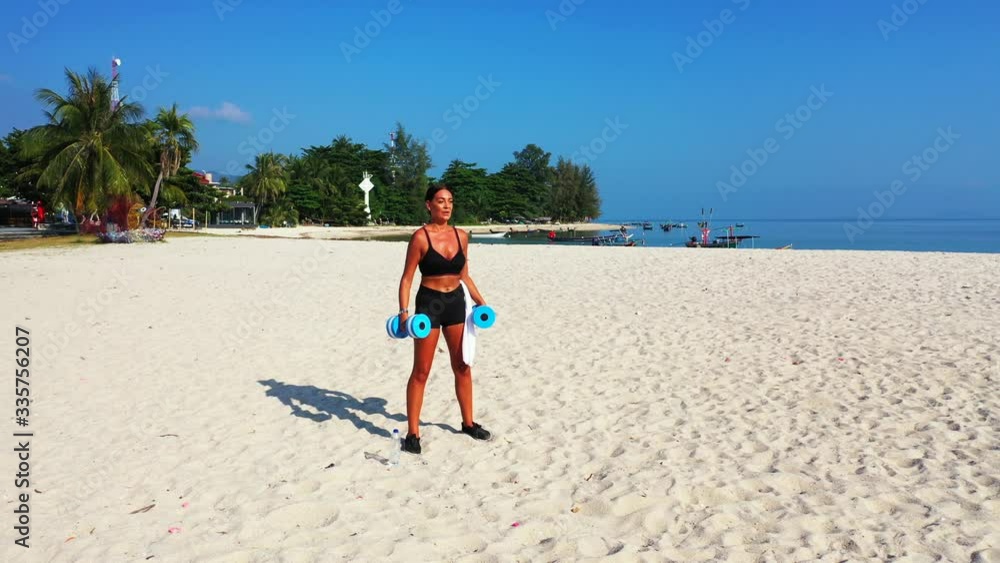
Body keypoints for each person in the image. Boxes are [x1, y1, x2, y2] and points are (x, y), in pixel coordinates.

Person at [396, 184, 491, 455]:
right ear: (429, 205)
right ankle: (413, 433)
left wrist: (482, 302)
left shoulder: (461, 236)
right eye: (440, 201)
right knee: (421, 371)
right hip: (429, 304)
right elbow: (407, 279)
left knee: (462, 365)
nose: (447, 205)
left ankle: (468, 423)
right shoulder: (420, 237)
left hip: (456, 304)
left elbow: (464, 276)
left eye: (450, 201)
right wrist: (404, 313)